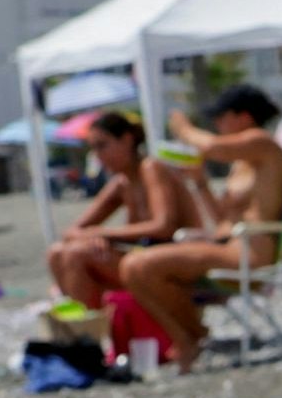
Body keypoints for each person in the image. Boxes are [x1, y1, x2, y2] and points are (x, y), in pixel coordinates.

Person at [121, 85, 282, 366]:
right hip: (228, 245)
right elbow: (221, 221)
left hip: (249, 253)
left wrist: (183, 128)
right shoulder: (244, 162)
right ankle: (189, 336)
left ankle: (189, 339)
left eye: (221, 116)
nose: (216, 124)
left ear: (244, 117)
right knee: (137, 268)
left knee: (138, 266)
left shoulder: (263, 143)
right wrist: (200, 182)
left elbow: (211, 147)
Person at [44, 110, 204, 313]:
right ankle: (88, 329)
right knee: (56, 252)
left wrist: (100, 234)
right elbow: (72, 232)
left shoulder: (151, 168)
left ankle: (88, 336)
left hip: (180, 257)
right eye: (93, 148)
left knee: (77, 254)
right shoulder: (122, 181)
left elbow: (163, 226)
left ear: (127, 140)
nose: (98, 156)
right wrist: (93, 237)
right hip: (146, 257)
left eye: (103, 146)